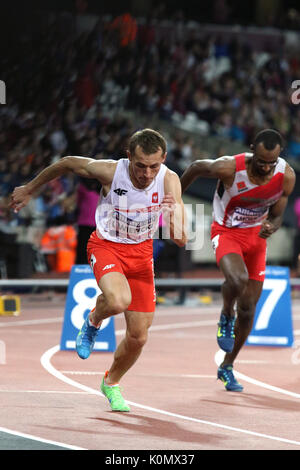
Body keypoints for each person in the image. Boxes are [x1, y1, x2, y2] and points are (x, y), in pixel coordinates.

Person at [10, 128, 187, 411]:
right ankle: (94, 320)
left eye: (154, 166)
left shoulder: (169, 180)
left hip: (141, 254)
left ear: (163, 159)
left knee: (139, 336)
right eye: (140, 166)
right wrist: (30, 189)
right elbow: (67, 162)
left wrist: (173, 214)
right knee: (118, 301)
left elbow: (181, 238)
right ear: (129, 157)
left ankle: (111, 382)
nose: (147, 174)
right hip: (107, 246)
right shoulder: (109, 171)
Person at [180, 129, 295, 392]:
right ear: (252, 149)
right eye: (261, 160)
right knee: (237, 279)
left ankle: (227, 365)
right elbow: (196, 167)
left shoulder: (285, 175)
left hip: (256, 238)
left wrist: (273, 225)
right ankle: (225, 313)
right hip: (227, 232)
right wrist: (173, 200)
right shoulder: (230, 167)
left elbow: (277, 214)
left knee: (249, 309)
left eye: (271, 162)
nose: (266, 167)